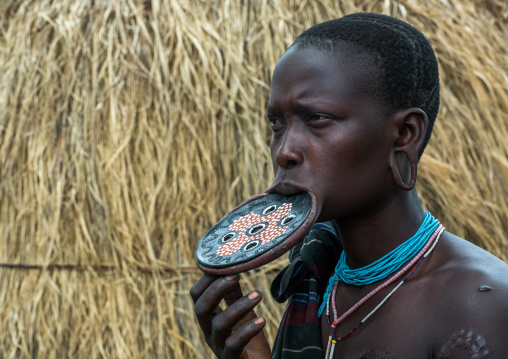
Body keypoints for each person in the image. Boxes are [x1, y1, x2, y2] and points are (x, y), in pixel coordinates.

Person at [190, 13, 508, 358]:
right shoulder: (317, 283)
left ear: (405, 134)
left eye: (317, 119)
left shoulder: (480, 305)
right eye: (277, 123)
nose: (284, 152)